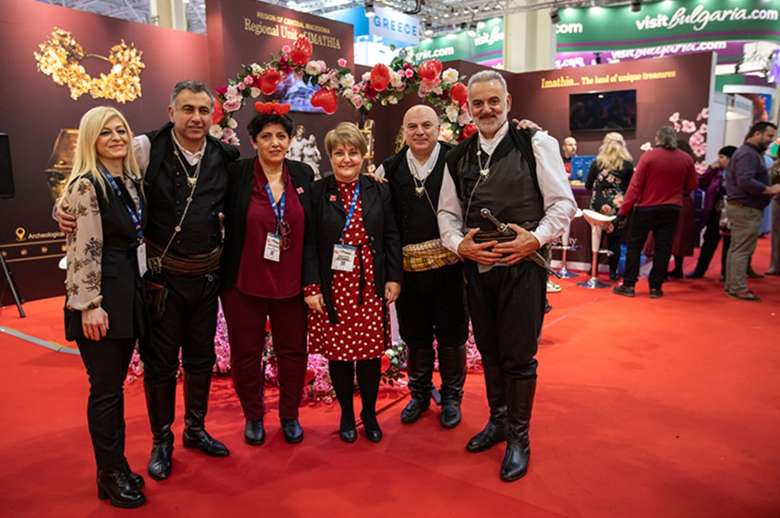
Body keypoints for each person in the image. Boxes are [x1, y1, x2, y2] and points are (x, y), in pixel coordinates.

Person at [57, 80, 239, 480]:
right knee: (161, 364)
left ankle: (195, 429)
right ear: (171, 112)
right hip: (160, 282)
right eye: (187, 109)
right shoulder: (144, 147)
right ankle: (162, 440)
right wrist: (63, 207)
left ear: (213, 115)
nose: (196, 118)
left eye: (203, 110)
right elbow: (98, 176)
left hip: (206, 278)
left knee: (201, 359)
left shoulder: (226, 155)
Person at [438, 71, 577, 482]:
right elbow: (446, 213)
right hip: (478, 271)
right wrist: (458, 245)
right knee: (490, 351)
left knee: (519, 356)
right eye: (477, 103)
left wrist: (534, 239)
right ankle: (498, 421)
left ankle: (519, 437)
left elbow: (563, 204)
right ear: (467, 108)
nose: (486, 109)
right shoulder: (458, 156)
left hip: (523, 270)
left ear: (508, 102)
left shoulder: (536, 144)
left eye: (493, 101)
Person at [63, 106, 146, 508]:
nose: (116, 138)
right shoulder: (85, 185)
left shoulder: (127, 178)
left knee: (112, 388)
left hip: (126, 293)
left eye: (121, 130)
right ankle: (110, 473)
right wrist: (89, 304)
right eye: (105, 133)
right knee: (106, 391)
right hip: (99, 300)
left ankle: (114, 467)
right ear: (90, 140)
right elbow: (83, 250)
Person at [220, 106, 313, 446]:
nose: (275, 143)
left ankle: (290, 415)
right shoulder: (237, 173)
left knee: (294, 352)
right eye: (266, 136)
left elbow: (314, 229)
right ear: (253, 141)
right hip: (244, 281)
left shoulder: (302, 174)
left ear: (290, 140)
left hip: (292, 283)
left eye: (281, 136)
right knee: (246, 353)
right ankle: (254, 415)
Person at [303, 122, 402, 444]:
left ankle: (369, 414)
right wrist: (312, 287)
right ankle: (346, 413)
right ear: (330, 157)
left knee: (370, 356)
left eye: (353, 153)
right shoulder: (318, 192)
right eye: (339, 153)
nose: (346, 159)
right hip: (333, 285)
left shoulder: (378, 189)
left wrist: (393, 277)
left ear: (364, 155)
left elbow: (391, 235)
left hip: (370, 282)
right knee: (340, 355)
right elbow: (309, 243)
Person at [373, 105, 468, 428]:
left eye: (427, 125)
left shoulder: (457, 159)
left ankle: (452, 397)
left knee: (452, 334)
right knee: (415, 335)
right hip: (409, 271)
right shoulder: (390, 167)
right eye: (412, 126)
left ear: (439, 127)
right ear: (404, 130)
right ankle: (420, 394)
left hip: (451, 267)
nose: (420, 132)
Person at [613, 126, 697, 298]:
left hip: (646, 208)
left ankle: (629, 285)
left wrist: (623, 211)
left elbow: (635, 187)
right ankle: (655, 288)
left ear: (658, 138)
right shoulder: (686, 159)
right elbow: (692, 185)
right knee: (663, 248)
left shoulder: (649, 156)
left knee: (635, 246)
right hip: (672, 209)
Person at [724, 122, 780, 301]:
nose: (771, 140)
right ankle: (738, 288)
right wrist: (768, 189)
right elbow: (745, 181)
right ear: (757, 134)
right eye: (769, 136)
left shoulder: (748, 153)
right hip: (746, 208)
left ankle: (732, 285)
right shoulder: (748, 154)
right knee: (742, 250)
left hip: (743, 206)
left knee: (736, 249)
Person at [585, 132, 634, 280]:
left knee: (597, 237)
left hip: (597, 206)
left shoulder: (597, 163)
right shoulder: (627, 165)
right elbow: (631, 188)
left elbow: (588, 186)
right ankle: (613, 272)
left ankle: (593, 268)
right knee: (615, 240)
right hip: (617, 206)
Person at [686, 146, 736, 279]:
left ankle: (726, 273)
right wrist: (711, 169)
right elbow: (701, 183)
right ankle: (700, 270)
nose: (719, 160)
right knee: (709, 241)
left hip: (730, 211)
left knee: (728, 242)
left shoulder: (737, 172)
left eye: (722, 157)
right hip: (714, 211)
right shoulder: (716, 172)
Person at [666, 140, 698, 279]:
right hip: (684, 202)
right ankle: (678, 268)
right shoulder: (690, 164)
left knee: (665, 237)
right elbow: (693, 185)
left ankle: (662, 270)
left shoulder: (670, 165)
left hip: (668, 201)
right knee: (680, 237)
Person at [767, 154, 780, 276]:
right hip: (778, 201)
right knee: (776, 234)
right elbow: (769, 182)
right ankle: (775, 265)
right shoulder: (776, 166)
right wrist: (773, 170)